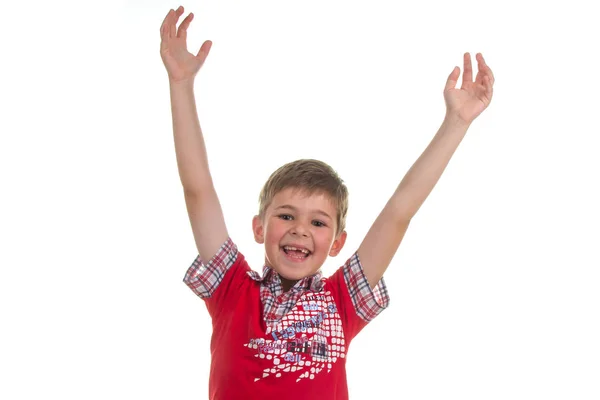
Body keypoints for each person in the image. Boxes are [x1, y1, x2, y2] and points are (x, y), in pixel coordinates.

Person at [160, 5, 494, 400]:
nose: (300, 229)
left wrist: (456, 123)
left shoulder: (341, 302)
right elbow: (197, 190)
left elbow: (399, 211)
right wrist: (181, 86)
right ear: (259, 227)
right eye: (286, 215)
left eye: (318, 223)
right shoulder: (231, 289)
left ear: (337, 242)